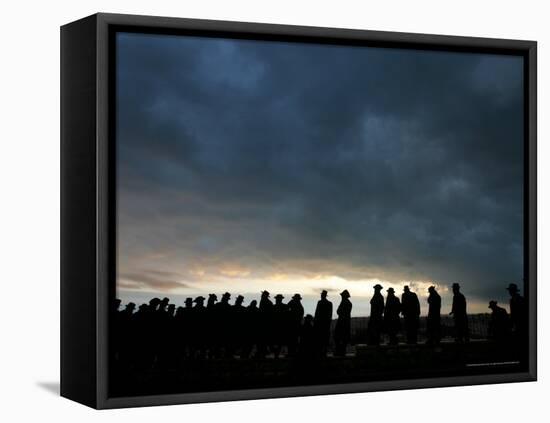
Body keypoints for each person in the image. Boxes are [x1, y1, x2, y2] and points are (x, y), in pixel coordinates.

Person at [314, 290, 333, 357]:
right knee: (324, 338)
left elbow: (316, 313)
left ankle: (319, 352)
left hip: (319, 324)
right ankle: (324, 352)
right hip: (326, 324)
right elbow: (330, 315)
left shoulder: (319, 303)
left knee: (319, 338)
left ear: (322, 295)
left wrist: (315, 323)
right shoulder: (330, 303)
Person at [334, 290, 352, 356]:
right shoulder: (349, 303)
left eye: (342, 296)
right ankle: (342, 351)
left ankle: (339, 351)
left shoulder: (344, 303)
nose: (341, 297)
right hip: (346, 323)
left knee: (338, 337)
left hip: (342, 322)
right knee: (343, 338)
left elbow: (338, 311)